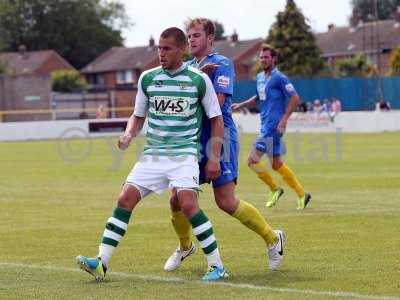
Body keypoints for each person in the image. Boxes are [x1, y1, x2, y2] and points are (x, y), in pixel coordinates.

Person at [76, 27, 229, 282]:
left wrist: (213, 158)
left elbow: (217, 119)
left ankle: (217, 266)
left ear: (181, 49)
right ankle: (101, 262)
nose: (161, 53)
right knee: (124, 198)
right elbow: (138, 115)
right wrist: (128, 134)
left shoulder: (198, 79)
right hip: (153, 155)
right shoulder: (148, 79)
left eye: (167, 48)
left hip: (184, 154)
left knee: (188, 204)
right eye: (159, 48)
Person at [163, 18, 285, 273]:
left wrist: (196, 83)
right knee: (176, 199)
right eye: (189, 35)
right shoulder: (187, 67)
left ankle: (273, 238)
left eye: (196, 35)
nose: (191, 39)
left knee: (226, 201)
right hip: (192, 139)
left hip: (221, 137)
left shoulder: (222, 64)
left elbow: (214, 106)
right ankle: (185, 246)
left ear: (209, 38)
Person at [232, 43, 311, 210]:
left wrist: (284, 119)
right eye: (261, 57)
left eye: (266, 57)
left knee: (252, 160)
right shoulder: (260, 77)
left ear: (273, 59)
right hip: (265, 124)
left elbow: (295, 98)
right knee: (276, 164)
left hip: (274, 126)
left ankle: (275, 189)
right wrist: (241, 104)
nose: (263, 59)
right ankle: (302, 194)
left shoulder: (279, 77)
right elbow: (258, 98)